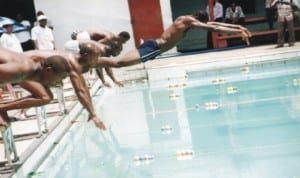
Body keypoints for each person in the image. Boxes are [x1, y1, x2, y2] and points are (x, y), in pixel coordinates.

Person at [0, 40, 118, 130]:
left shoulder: (73, 62)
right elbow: (80, 90)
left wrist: (93, 113)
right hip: (20, 67)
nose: (98, 59)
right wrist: (93, 114)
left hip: (23, 66)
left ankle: (2, 108)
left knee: (46, 96)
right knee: (45, 97)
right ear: (86, 55)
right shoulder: (22, 70)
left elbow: (83, 88)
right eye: (97, 56)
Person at [96, 11, 251, 68]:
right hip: (154, 48)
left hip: (152, 44)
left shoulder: (187, 22)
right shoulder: (187, 20)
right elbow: (213, 28)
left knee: (119, 63)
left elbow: (214, 24)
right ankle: (90, 61)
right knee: (119, 64)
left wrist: (239, 28)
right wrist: (238, 31)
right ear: (197, 19)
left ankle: (92, 62)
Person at [0, 48, 70, 126]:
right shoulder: (20, 71)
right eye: (60, 78)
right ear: (48, 70)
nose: (59, 82)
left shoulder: (30, 68)